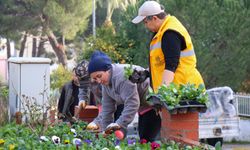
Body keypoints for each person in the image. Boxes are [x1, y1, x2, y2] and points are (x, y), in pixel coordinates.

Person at [86, 50, 161, 142]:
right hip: (142, 105)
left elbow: (132, 104)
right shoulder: (105, 83)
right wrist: (106, 132)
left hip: (153, 103)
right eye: (95, 78)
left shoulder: (122, 77)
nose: (98, 81)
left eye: (99, 76)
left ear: (108, 70)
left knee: (146, 140)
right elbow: (107, 108)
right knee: (143, 139)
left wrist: (119, 124)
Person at [131, 1, 204, 92]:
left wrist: (163, 93)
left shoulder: (170, 33)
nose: (145, 26)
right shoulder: (163, 31)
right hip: (177, 90)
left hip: (181, 91)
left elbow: (171, 65)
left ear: (154, 18)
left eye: (145, 22)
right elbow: (162, 61)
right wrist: (146, 73)